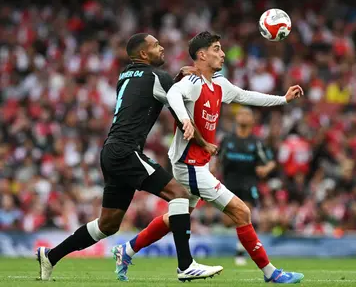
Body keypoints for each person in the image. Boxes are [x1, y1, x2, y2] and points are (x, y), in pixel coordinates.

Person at [115, 31, 305, 284]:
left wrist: (283, 99)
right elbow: (173, 95)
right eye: (216, 48)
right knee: (242, 212)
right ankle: (272, 273)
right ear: (201, 55)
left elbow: (246, 96)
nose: (223, 53)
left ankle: (125, 250)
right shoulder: (192, 82)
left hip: (198, 163)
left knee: (176, 219)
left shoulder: (219, 84)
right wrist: (184, 119)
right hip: (189, 165)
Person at [36, 33, 223, 282]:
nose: (162, 47)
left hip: (111, 151)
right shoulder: (158, 77)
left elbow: (151, 90)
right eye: (156, 45)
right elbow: (179, 110)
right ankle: (185, 265)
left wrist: (176, 78)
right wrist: (204, 143)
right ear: (144, 54)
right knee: (179, 194)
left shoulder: (125, 76)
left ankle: (51, 256)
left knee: (108, 225)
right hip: (125, 151)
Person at [217, 106, 277, 266]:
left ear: (252, 120)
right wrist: (211, 171)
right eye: (240, 114)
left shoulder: (257, 142)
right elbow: (216, 160)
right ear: (236, 119)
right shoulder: (227, 140)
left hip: (249, 183)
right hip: (229, 183)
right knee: (228, 221)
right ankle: (241, 245)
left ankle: (240, 251)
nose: (243, 117)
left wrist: (265, 168)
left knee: (244, 215)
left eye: (246, 114)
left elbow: (271, 162)